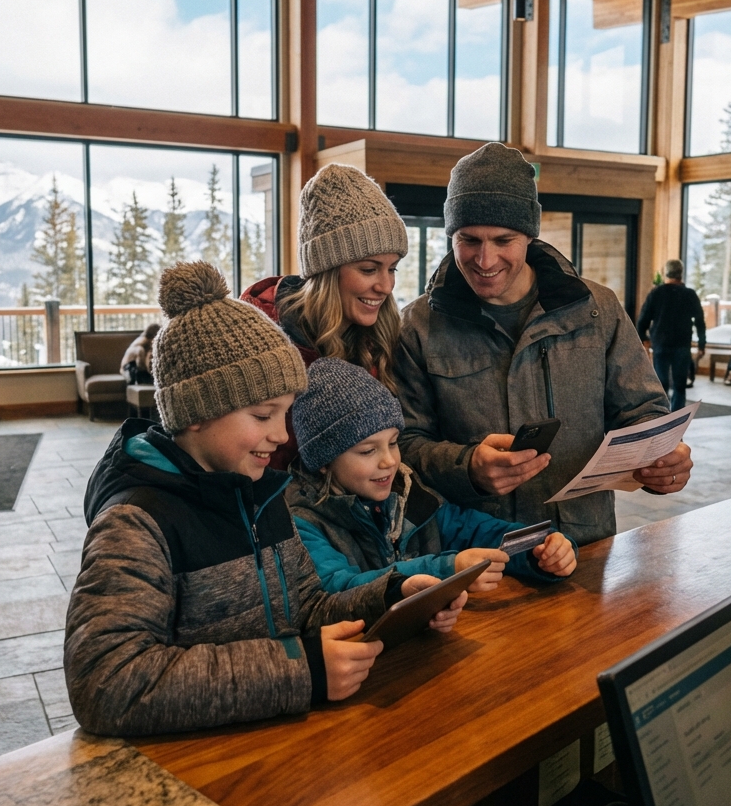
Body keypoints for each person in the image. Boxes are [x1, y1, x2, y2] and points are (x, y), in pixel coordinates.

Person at [64, 262, 464, 736]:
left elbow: (308, 607)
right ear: (197, 411)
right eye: (262, 414)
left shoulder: (258, 492)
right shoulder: (136, 522)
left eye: (286, 413)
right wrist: (301, 671)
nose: (280, 434)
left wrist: (391, 596)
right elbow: (106, 681)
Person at [395, 143, 691, 549]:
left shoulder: (597, 310)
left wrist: (661, 462)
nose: (485, 259)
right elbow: (405, 443)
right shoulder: (417, 327)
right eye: (468, 240)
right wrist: (468, 467)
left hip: (584, 544)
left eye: (503, 240)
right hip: (475, 553)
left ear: (530, 236)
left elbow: (642, 411)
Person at [287, 358, 577, 594]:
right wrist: (449, 570)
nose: (389, 461)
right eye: (367, 451)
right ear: (323, 461)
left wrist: (543, 548)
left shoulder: (410, 494)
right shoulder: (301, 523)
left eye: (392, 443)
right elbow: (339, 589)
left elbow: (478, 530)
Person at [243, 164, 409, 470]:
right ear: (326, 271)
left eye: (392, 268)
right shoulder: (255, 341)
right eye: (369, 269)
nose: (385, 286)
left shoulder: (383, 336)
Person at [636, 259, 706, 411]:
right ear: (681, 273)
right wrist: (702, 344)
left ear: (665, 273)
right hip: (682, 344)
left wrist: (644, 339)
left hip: (660, 343)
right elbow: (700, 321)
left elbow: (642, 320)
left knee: (661, 384)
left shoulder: (656, 293)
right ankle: (677, 421)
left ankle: (662, 418)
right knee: (680, 385)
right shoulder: (689, 294)